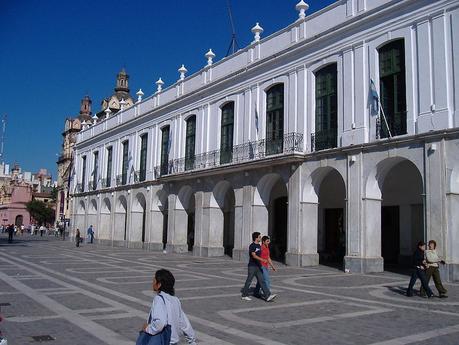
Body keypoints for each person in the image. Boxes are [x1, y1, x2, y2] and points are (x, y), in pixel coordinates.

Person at [140, 269, 197, 345]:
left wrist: (147, 328)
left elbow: (160, 323)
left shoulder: (159, 299)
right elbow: (184, 323)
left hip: (162, 342)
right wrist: (192, 340)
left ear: (159, 284)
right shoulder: (175, 300)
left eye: (154, 280)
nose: (152, 283)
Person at [241, 232, 277, 302]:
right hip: (252, 266)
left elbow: (265, 255)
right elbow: (253, 255)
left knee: (262, 281)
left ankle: (268, 296)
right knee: (249, 281)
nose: (260, 238)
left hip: (258, 266)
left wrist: (270, 264)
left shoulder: (259, 246)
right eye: (259, 237)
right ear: (256, 238)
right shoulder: (252, 246)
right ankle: (244, 295)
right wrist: (262, 259)